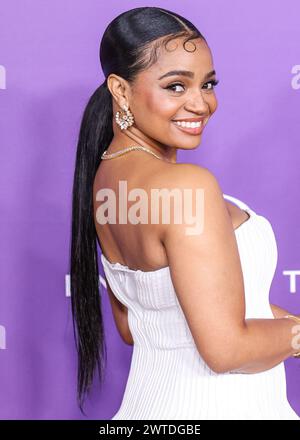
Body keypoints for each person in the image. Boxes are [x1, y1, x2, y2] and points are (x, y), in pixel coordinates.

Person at [69, 6, 300, 419]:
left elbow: (140, 324)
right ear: (120, 90)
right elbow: (227, 349)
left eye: (208, 84)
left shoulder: (105, 184)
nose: (201, 103)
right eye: (176, 86)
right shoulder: (186, 186)